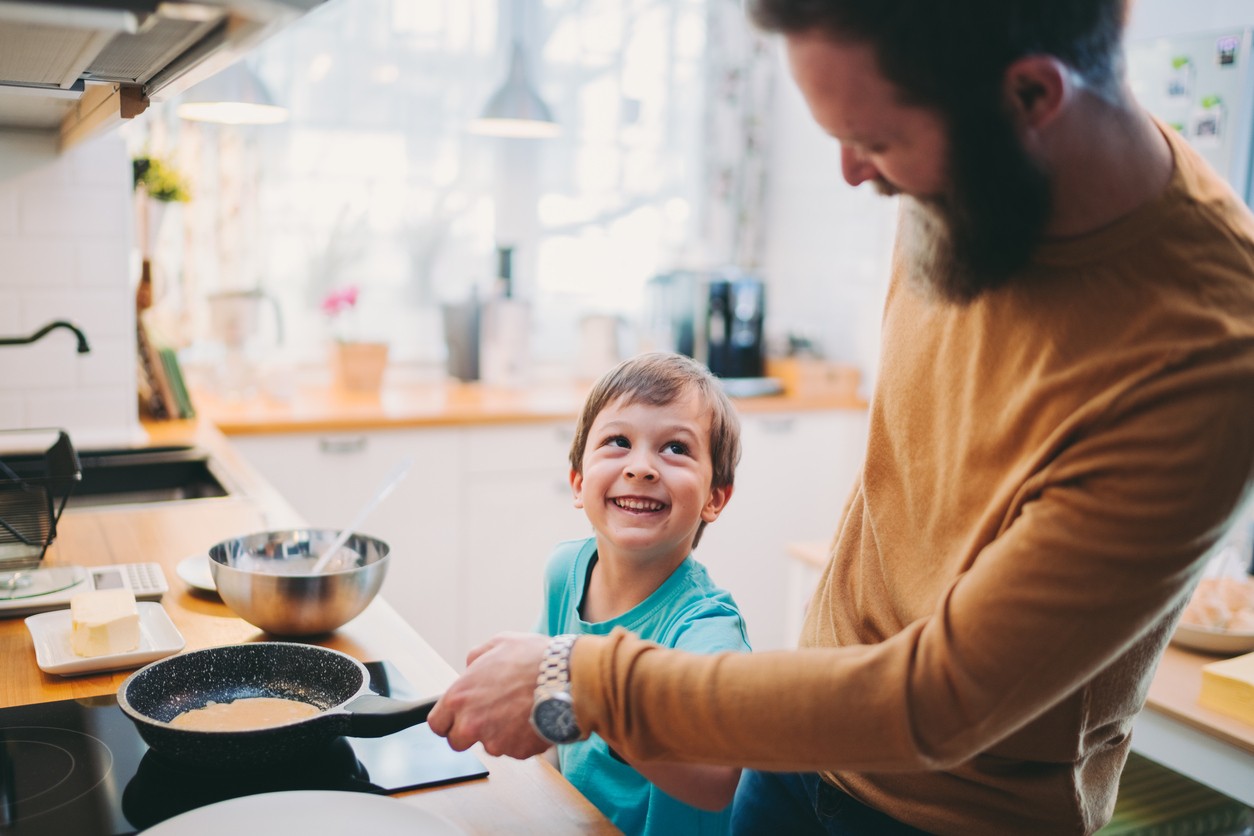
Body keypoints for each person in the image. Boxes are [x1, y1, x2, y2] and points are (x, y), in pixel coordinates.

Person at [428, 2, 1254, 833]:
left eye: (878, 140)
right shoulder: (972, 169)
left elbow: (942, 700)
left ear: (1033, 97)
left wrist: (582, 681)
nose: (854, 174)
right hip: (799, 755)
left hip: (957, 813)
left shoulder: (1204, 357)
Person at [537, 351, 751, 834]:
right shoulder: (564, 570)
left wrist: (595, 698)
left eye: (676, 448)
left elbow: (715, 780)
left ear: (715, 496)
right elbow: (547, 722)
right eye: (617, 441)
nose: (642, 467)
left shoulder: (705, 628)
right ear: (578, 482)